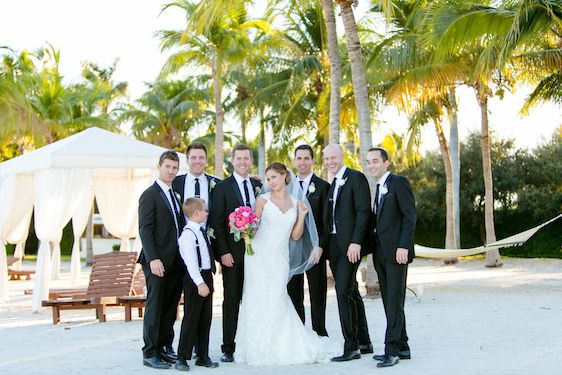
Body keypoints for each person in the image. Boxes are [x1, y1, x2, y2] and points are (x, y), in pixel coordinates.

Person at [235, 162, 336, 366]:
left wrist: (302, 215)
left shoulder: (297, 201)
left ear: (284, 176)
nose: (271, 182)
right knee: (257, 297)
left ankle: (284, 343)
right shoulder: (262, 200)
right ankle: (257, 346)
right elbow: (254, 228)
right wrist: (244, 228)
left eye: (274, 177)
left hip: (280, 256)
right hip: (258, 255)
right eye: (268, 178)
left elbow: (296, 235)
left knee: (278, 295)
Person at [210, 144, 263, 363]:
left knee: (255, 299)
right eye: (239, 158)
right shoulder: (222, 187)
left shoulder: (258, 185)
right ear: (233, 160)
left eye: (246, 158)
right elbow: (217, 222)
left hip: (257, 254)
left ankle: (253, 343)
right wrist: (223, 252)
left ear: (250, 161)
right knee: (231, 300)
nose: (242, 162)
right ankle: (228, 347)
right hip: (232, 255)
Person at [366, 147, 416, 368]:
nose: (372, 165)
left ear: (386, 163)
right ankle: (403, 346)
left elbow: (409, 216)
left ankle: (392, 351)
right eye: (369, 162)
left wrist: (404, 246)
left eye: (375, 161)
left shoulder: (398, 183)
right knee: (389, 300)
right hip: (381, 254)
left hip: (397, 253)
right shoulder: (378, 187)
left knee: (394, 301)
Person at [323, 144, 373, 362]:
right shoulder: (332, 183)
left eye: (334, 157)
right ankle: (364, 341)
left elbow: (364, 212)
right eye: (327, 158)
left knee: (342, 290)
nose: (330, 161)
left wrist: (356, 242)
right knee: (351, 291)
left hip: (350, 245)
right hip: (333, 246)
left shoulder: (356, 178)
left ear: (342, 157)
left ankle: (351, 346)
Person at [138, 150, 185, 369]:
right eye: (168, 167)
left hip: (175, 261)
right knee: (155, 307)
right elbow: (145, 230)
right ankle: (150, 352)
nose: (171, 171)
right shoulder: (150, 194)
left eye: (175, 168)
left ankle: (165, 347)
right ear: (159, 167)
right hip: (157, 261)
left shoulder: (174, 194)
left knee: (170, 307)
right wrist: (153, 258)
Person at [287, 144, 330, 337]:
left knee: (317, 292)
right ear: (294, 161)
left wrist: (320, 245)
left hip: (314, 249)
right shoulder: (286, 187)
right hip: (293, 248)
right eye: (299, 158)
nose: (302, 162)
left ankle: (319, 332)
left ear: (312, 161)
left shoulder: (323, 187)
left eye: (306, 158)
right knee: (294, 291)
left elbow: (326, 221)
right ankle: (299, 335)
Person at [175, 198, 219, 371]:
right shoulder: (187, 235)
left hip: (206, 276)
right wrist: (200, 283)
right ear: (196, 213)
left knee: (205, 318)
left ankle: (202, 355)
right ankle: (182, 357)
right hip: (195, 279)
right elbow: (191, 263)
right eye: (204, 210)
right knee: (191, 318)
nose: (207, 213)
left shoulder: (201, 231)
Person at [172, 141, 222, 224]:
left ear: (206, 161)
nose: (197, 161)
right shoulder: (175, 183)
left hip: (209, 236)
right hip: (183, 235)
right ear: (187, 160)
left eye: (201, 157)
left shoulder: (218, 184)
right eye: (193, 157)